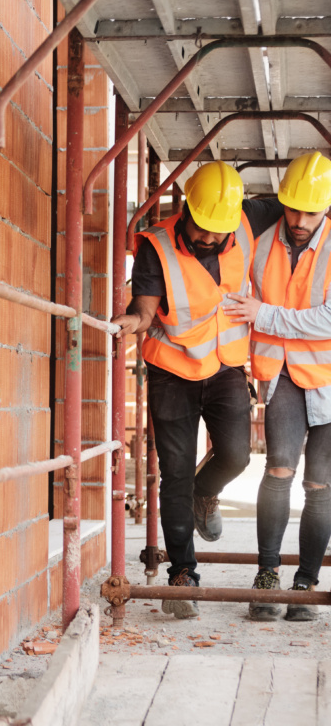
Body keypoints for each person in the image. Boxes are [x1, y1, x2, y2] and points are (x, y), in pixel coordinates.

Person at [112, 161, 282, 619]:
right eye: (204, 228)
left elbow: (303, 207)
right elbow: (146, 308)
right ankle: (182, 575)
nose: (212, 238)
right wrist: (134, 321)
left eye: (219, 231)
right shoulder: (157, 246)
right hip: (172, 370)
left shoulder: (246, 217)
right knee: (175, 475)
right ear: (187, 208)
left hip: (226, 366)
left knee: (237, 455)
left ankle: (206, 493)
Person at [223, 151, 331, 622]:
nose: (300, 220)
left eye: (311, 211)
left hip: (329, 377)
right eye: (293, 209)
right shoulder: (262, 238)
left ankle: (305, 582)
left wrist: (264, 315)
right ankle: (267, 575)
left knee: (320, 484)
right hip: (283, 370)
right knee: (280, 471)